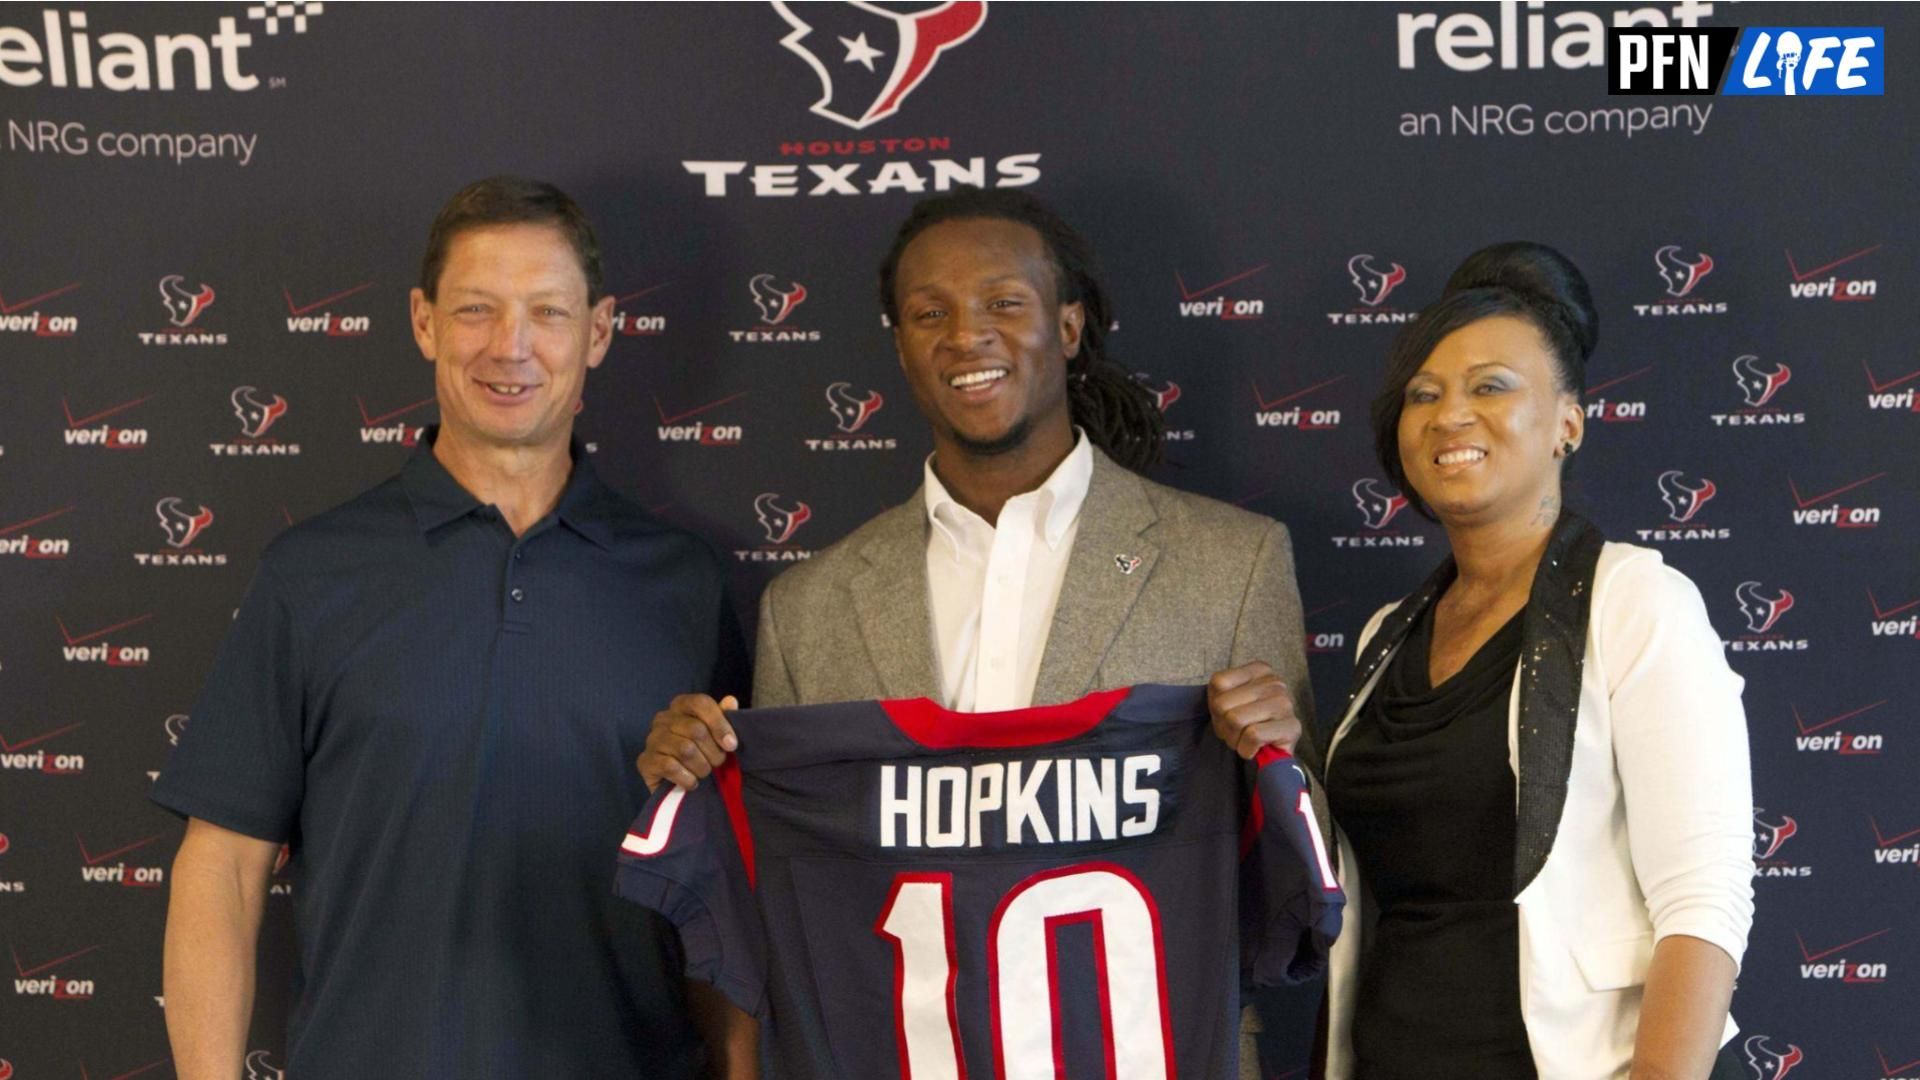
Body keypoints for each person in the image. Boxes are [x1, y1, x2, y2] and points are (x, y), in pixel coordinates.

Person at [639, 187, 1321, 1077]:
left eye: (1004, 302)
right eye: (931, 312)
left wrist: (1281, 757)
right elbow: (783, 900)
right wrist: (693, 777)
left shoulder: (1230, 564)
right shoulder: (810, 606)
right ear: (900, 342)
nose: (967, 336)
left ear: (1069, 327)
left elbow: (1307, 873)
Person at [153, 177, 749, 1079]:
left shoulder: (684, 584)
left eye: (547, 312)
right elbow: (224, 870)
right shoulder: (311, 574)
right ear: (425, 322)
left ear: (598, 331)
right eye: (477, 310)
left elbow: (727, 887)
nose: (510, 347)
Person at [1320, 242, 1754, 1079]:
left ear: (1569, 420)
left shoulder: (1635, 602)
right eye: (1424, 394)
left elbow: (1702, 906)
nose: (1450, 414)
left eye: (1491, 386)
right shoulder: (1386, 635)